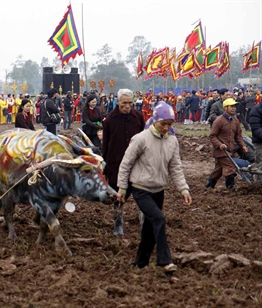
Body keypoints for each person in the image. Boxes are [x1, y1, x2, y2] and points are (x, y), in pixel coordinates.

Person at [117, 101, 192, 272]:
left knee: (150, 229)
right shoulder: (141, 139)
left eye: (169, 124)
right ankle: (165, 260)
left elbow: (175, 167)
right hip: (140, 188)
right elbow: (125, 164)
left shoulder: (172, 141)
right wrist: (122, 188)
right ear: (154, 120)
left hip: (158, 190)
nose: (166, 127)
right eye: (162, 124)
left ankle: (140, 263)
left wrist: (184, 189)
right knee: (158, 218)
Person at [102, 88, 145, 235]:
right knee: (118, 196)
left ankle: (144, 223)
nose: (127, 106)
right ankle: (118, 224)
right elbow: (105, 145)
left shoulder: (138, 118)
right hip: (116, 164)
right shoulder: (109, 120)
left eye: (130, 103)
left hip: (136, 164)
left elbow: (144, 141)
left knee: (141, 194)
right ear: (118, 102)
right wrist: (105, 166)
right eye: (124, 103)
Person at [206, 98, 247, 190]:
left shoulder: (235, 121)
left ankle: (209, 185)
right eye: (231, 106)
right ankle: (231, 187)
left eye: (234, 106)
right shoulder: (219, 120)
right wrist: (220, 144)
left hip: (230, 150)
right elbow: (212, 136)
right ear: (225, 108)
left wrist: (243, 146)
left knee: (219, 170)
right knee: (230, 166)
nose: (234, 108)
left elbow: (238, 136)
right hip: (221, 151)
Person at [249, 99, 262, 183]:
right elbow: (256, 128)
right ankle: (258, 184)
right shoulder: (256, 110)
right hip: (260, 142)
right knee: (260, 163)